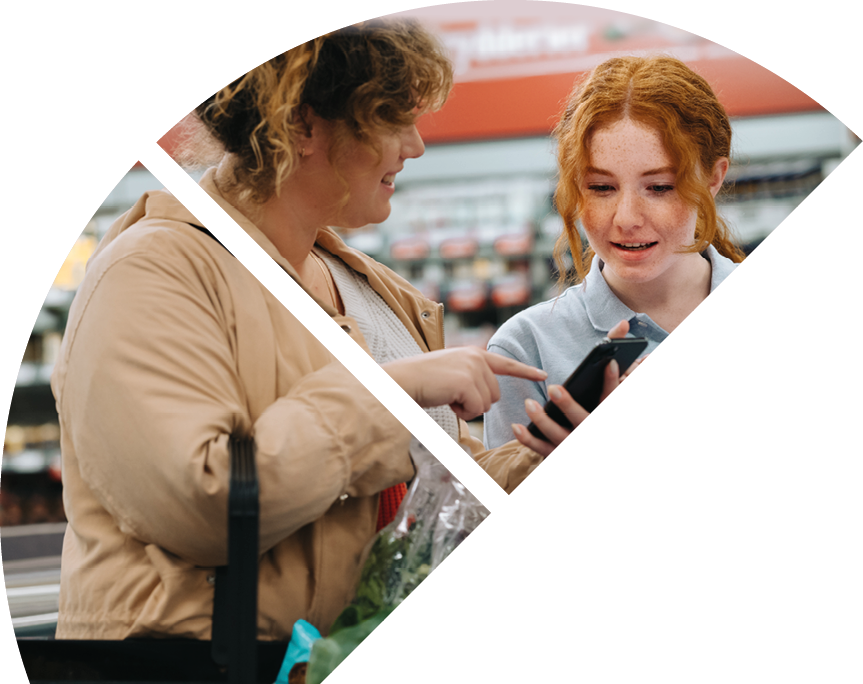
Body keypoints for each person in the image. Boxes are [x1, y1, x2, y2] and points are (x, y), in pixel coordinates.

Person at [52, 19, 556, 642]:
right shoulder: (151, 271)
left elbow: (429, 492)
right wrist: (390, 395)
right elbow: (203, 505)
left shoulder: (371, 289)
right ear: (302, 124)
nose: (416, 145)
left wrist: (544, 460)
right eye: (392, 116)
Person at [483, 55, 745, 453]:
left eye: (659, 187)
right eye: (601, 188)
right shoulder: (525, 349)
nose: (625, 219)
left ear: (713, 177)